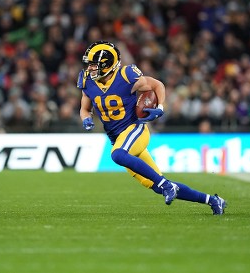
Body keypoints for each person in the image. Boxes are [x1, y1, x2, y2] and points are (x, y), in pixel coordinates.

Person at [77, 41, 226, 215]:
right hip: (118, 139)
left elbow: (157, 85)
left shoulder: (125, 75)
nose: (90, 68)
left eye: (94, 65)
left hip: (134, 129)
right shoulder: (87, 80)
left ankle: (166, 185)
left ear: (107, 64)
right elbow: (85, 108)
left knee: (117, 155)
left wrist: (161, 106)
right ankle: (213, 200)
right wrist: (86, 119)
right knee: (156, 185)